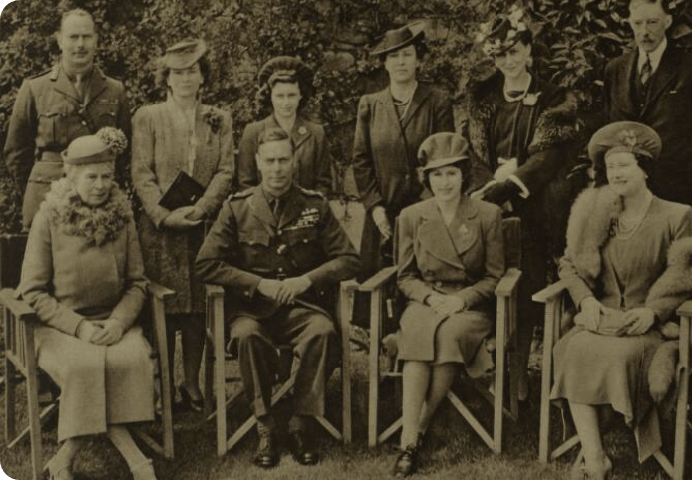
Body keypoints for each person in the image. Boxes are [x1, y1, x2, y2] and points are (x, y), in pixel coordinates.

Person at [551, 121, 692, 479]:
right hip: (602, 319)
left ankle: (595, 451)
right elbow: (569, 264)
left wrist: (654, 312)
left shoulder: (676, 215)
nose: (616, 174)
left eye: (624, 165)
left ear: (645, 169)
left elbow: (686, 278)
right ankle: (597, 460)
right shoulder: (597, 213)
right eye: (610, 167)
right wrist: (586, 302)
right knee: (574, 347)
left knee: (617, 354)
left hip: (647, 328)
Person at [195, 127, 361, 468]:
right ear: (257, 162)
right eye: (269, 160)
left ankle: (302, 421)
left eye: (283, 159)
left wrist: (307, 280)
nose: (277, 168)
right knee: (245, 336)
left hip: (301, 307)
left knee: (323, 331)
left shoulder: (315, 205)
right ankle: (264, 423)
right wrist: (256, 283)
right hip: (251, 311)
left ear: (294, 160)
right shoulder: (236, 208)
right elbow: (206, 264)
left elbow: (349, 259)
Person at [18, 128, 158, 480]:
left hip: (111, 323)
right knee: (84, 366)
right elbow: (32, 292)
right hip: (57, 328)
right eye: (91, 177)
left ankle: (62, 460)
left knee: (132, 358)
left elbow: (137, 283)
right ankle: (137, 460)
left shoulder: (122, 216)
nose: (100, 184)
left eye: (107, 176)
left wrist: (118, 323)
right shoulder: (47, 218)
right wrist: (78, 327)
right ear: (71, 175)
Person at [466, 5, 581, 401]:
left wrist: (508, 188)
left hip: (533, 211)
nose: (509, 61)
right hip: (489, 209)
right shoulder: (483, 99)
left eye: (515, 52)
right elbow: (475, 155)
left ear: (529, 53)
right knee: (488, 284)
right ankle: (487, 372)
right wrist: (487, 192)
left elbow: (547, 158)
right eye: (501, 55)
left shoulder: (554, 98)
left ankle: (526, 382)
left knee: (530, 287)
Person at [392, 132, 504, 477]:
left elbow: (494, 277)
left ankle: (416, 433)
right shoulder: (411, 216)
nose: (444, 182)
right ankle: (409, 440)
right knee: (418, 335)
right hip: (427, 299)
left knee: (449, 336)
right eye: (436, 174)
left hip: (468, 306)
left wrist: (461, 300)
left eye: (452, 173)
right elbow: (405, 276)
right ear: (426, 178)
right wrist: (429, 297)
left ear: (464, 175)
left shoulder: (487, 214)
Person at [131, 39, 233, 411]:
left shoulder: (220, 118)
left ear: (203, 76)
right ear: (167, 79)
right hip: (159, 232)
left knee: (196, 308)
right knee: (162, 306)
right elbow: (141, 173)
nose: (186, 78)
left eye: (193, 71)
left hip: (201, 229)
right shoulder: (148, 116)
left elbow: (225, 171)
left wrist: (203, 209)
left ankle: (191, 383)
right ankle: (159, 388)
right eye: (178, 72)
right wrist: (164, 215)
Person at [3, 8, 131, 230]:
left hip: (99, 201)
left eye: (86, 37)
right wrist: (35, 189)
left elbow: (123, 151)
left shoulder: (114, 90)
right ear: (60, 41)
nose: (80, 44)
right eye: (73, 37)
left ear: (96, 40)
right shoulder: (35, 88)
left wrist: (103, 186)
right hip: (46, 197)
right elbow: (16, 152)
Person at [352, 21, 454, 284]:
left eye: (407, 55)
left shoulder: (437, 101)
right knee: (378, 289)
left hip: (426, 209)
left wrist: (426, 201)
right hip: (382, 215)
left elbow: (444, 156)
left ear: (418, 60)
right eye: (393, 56)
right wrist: (374, 208)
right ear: (385, 64)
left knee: (423, 282)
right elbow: (361, 161)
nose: (401, 62)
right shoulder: (370, 105)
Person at [603, 0, 692, 225]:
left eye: (652, 22)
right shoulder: (614, 70)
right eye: (638, 23)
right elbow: (609, 127)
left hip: (678, 193)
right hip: (626, 196)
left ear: (668, 21)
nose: (644, 32)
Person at [236, 56, 333, 195]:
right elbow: (245, 184)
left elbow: (323, 184)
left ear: (300, 95)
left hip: (306, 213)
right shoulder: (253, 132)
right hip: (264, 213)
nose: (286, 102)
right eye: (280, 96)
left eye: (291, 95)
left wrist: (310, 210)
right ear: (270, 96)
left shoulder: (316, 133)